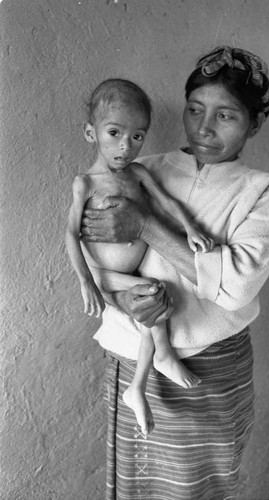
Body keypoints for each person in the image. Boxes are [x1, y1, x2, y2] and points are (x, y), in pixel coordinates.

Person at [81, 46, 269, 500]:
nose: (204, 127)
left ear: (253, 124)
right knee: (135, 483)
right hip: (130, 353)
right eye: (195, 110)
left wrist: (148, 226)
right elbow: (97, 258)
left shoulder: (263, 193)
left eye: (226, 116)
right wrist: (122, 299)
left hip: (212, 367)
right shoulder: (141, 170)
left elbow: (235, 288)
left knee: (201, 486)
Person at [65, 79, 214, 435]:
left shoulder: (138, 173)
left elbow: (167, 202)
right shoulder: (85, 183)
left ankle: (138, 387)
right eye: (114, 133)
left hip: (128, 276)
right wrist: (86, 280)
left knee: (151, 303)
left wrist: (191, 229)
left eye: (137, 136)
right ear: (91, 133)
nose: (125, 146)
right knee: (152, 293)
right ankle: (157, 363)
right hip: (104, 274)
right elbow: (71, 233)